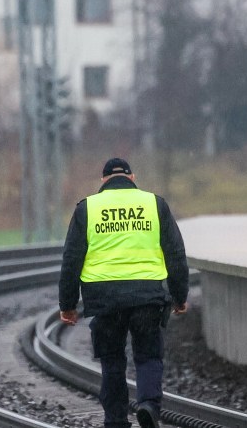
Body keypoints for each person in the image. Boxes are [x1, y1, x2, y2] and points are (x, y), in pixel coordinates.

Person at [58, 157, 189, 428]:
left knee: (112, 362)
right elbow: (175, 253)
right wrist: (179, 295)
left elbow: (71, 259)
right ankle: (148, 405)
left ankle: (116, 420)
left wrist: (68, 305)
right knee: (149, 355)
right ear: (132, 177)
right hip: (147, 297)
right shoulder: (154, 204)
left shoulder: (87, 209)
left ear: (103, 181)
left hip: (105, 300)